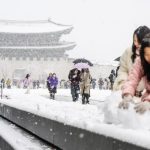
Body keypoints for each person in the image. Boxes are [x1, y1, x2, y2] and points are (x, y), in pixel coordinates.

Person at [113, 26, 150, 97]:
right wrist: (124, 84)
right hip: (127, 91)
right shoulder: (128, 52)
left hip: (145, 97)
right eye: (134, 40)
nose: (135, 44)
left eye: (138, 41)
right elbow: (123, 70)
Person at [119, 33, 150, 114]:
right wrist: (127, 95)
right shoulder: (141, 61)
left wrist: (149, 102)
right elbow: (132, 79)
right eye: (146, 54)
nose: (148, 58)